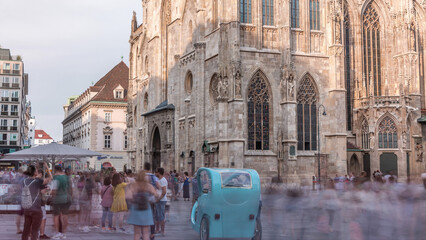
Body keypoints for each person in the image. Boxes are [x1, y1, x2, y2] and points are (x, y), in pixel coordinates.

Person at [21, 163, 52, 240]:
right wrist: (47, 168)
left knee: (26, 230)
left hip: (27, 208)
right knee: (35, 231)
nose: (37, 172)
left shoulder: (24, 181)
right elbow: (50, 178)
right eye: (37, 170)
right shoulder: (38, 181)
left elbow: (37, 191)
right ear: (35, 172)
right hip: (36, 210)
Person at [127, 171, 160, 240]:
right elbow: (157, 195)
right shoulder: (148, 186)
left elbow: (128, 196)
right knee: (146, 232)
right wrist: (151, 199)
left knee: (136, 233)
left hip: (135, 209)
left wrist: (133, 199)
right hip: (146, 209)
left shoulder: (133, 185)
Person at [51, 166, 69, 240]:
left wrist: (52, 195)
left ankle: (57, 233)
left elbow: (54, 190)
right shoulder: (66, 177)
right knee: (65, 216)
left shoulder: (56, 178)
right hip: (65, 198)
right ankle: (64, 233)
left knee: (56, 216)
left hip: (57, 199)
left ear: (56, 171)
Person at [143, 162, 161, 240]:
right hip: (151, 199)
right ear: (150, 168)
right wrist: (155, 190)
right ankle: (152, 233)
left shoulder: (142, 176)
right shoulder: (153, 176)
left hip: (143, 199)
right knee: (152, 216)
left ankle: (144, 234)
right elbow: (159, 186)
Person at [154, 168, 168, 236]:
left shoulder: (163, 180)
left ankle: (162, 231)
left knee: (161, 216)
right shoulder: (158, 180)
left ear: (159, 172)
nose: (155, 173)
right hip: (157, 200)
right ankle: (157, 229)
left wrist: (158, 199)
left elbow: (164, 191)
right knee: (156, 216)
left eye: (156, 172)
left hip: (161, 200)